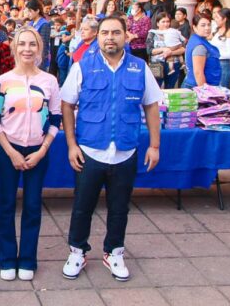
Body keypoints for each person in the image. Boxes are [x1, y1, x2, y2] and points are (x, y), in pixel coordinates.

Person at [60, 15, 162, 282]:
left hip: (125, 152)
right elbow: (67, 105)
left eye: (116, 33)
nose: (110, 38)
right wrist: (71, 145)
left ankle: (114, 252)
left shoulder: (140, 68)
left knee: (120, 207)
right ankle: (77, 251)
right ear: (98, 36)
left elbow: (151, 105)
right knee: (82, 206)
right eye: (105, 33)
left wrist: (154, 145)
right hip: (90, 151)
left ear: (126, 36)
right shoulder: (83, 66)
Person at [0, 26, 62, 281]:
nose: (27, 49)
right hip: (9, 151)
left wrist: (42, 151)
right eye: (22, 44)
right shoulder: (3, 80)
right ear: (14, 47)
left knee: (32, 206)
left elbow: (55, 119)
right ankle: (7, 259)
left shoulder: (50, 81)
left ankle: (28, 259)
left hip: (38, 152)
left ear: (39, 48)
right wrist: (10, 152)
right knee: (6, 205)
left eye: (32, 44)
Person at [146, 12, 186, 89]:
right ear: (158, 23)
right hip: (156, 63)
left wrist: (171, 52)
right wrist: (163, 49)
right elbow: (149, 51)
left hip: (173, 63)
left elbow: (183, 48)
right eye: (163, 22)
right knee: (155, 87)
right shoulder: (152, 33)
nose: (166, 24)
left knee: (170, 87)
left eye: (167, 22)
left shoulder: (174, 32)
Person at [182, 13, 221, 88]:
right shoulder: (199, 46)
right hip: (197, 86)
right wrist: (205, 92)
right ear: (195, 27)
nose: (207, 28)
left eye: (209, 25)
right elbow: (198, 73)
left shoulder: (196, 39)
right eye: (203, 25)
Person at [210, 8, 230, 89]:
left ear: (224, 19)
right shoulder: (217, 30)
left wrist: (215, 54)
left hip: (223, 66)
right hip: (215, 64)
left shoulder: (229, 33)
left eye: (218, 17)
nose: (215, 19)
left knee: (222, 91)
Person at [26, 0, 51, 71]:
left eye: (30, 11)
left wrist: (41, 62)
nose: (28, 14)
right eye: (27, 11)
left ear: (37, 11)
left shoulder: (44, 24)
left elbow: (44, 44)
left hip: (39, 58)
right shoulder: (30, 23)